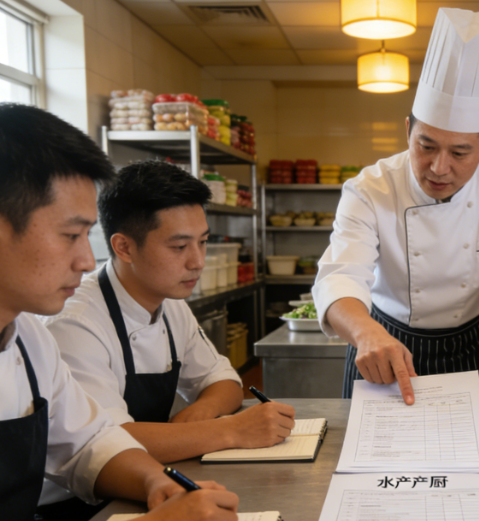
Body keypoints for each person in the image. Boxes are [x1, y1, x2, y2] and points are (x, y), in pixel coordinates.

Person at [0, 103, 239, 521]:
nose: (84, 260)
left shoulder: (28, 336)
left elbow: (89, 442)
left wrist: (155, 483)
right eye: (70, 235)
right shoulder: (69, 321)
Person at [312, 8, 479, 412]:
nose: (439, 168)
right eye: (426, 146)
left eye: (460, 153)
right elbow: (339, 276)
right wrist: (366, 333)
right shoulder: (371, 187)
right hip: (382, 342)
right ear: (408, 130)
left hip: (469, 344)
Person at [46, 161, 295, 468]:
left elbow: (224, 381)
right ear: (124, 247)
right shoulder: (76, 324)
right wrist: (232, 430)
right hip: (80, 496)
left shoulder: (171, 305)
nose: (198, 261)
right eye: (179, 246)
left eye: (203, 242)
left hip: (149, 474)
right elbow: (107, 443)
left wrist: (200, 414)